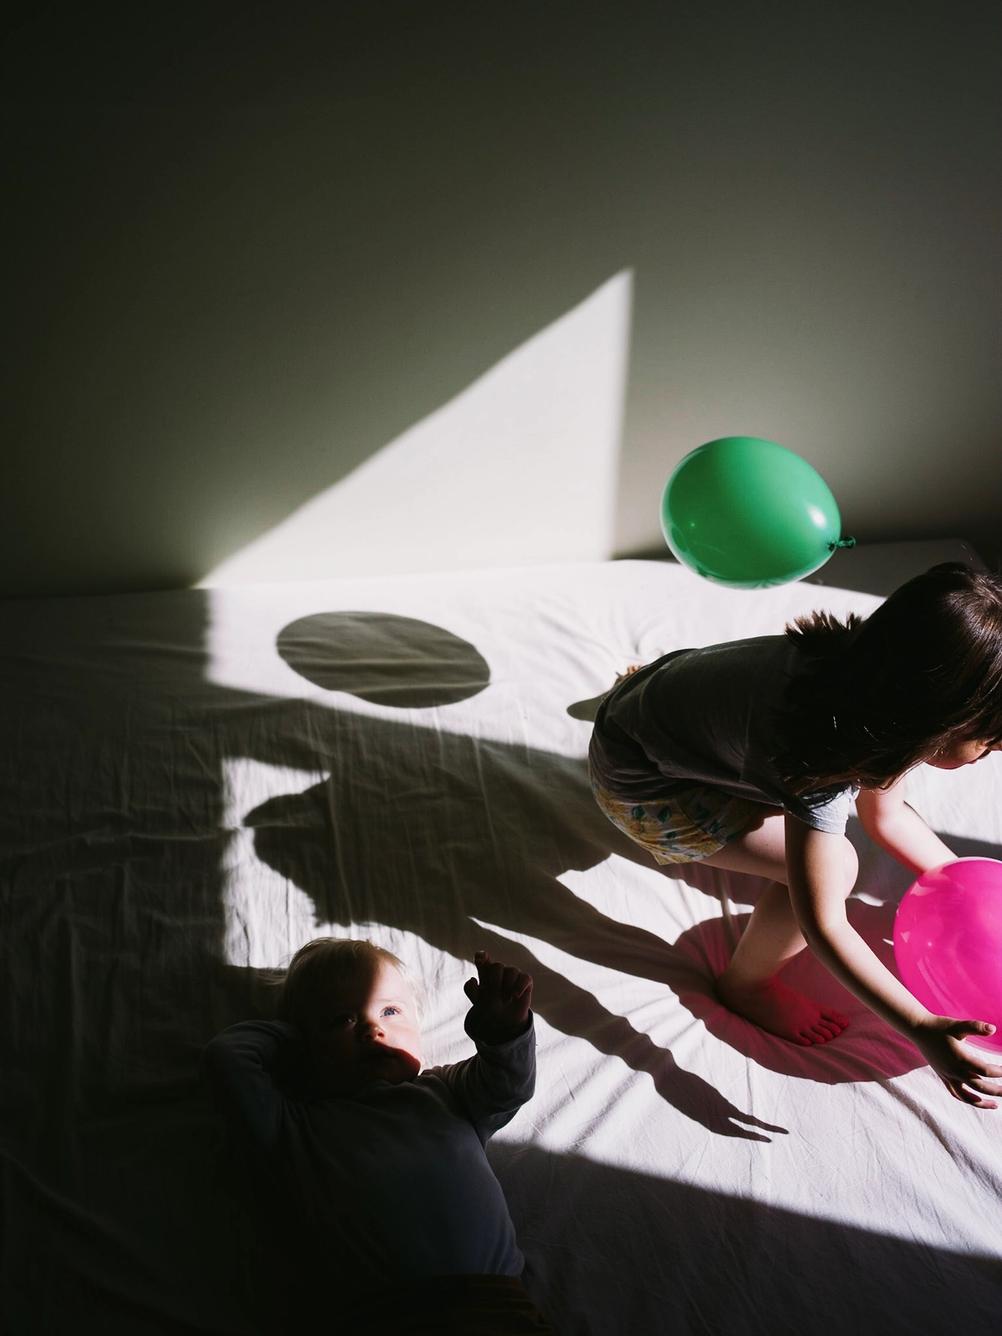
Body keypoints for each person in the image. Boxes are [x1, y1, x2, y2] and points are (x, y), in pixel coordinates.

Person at [589, 561, 1002, 1110]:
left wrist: (972, 898)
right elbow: (823, 921)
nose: (990, 755)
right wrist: (919, 1025)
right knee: (839, 869)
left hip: (654, 706)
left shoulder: (868, 686)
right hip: (643, 786)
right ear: (934, 721)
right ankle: (746, 984)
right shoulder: (818, 751)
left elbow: (889, 817)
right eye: (988, 743)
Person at [203, 939, 553, 1334]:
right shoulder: (293, 1124)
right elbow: (228, 1058)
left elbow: (509, 1085)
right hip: (375, 1314)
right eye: (341, 1020)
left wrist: (504, 1032)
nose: (372, 1028)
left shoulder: (447, 1091)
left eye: (390, 1010)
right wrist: (295, 1038)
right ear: (305, 1047)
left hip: (494, 1307)